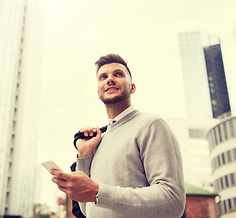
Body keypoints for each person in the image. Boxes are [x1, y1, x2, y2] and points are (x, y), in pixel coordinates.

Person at [51, 54, 185, 218]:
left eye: (118, 74)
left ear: (132, 87)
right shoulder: (98, 141)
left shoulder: (151, 124)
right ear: (98, 93)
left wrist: (97, 192)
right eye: (103, 77)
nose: (110, 79)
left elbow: (172, 201)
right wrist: (85, 154)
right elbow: (88, 211)